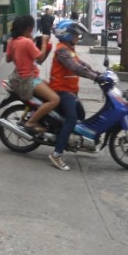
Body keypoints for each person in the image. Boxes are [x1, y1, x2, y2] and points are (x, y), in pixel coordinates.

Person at [48, 20, 107, 171]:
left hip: (70, 90)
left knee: (81, 114)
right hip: (62, 90)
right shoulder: (62, 50)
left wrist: (100, 74)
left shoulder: (69, 49)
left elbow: (82, 64)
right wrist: (95, 78)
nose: (77, 36)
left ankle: (71, 140)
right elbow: (75, 68)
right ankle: (57, 153)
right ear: (66, 34)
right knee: (72, 118)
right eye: (74, 33)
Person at [5, 14, 59, 133]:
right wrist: (44, 43)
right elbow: (40, 58)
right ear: (29, 28)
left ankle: (41, 117)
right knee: (55, 99)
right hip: (28, 79)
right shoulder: (26, 42)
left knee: (53, 87)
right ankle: (31, 122)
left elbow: (8, 59)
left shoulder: (12, 41)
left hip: (20, 77)